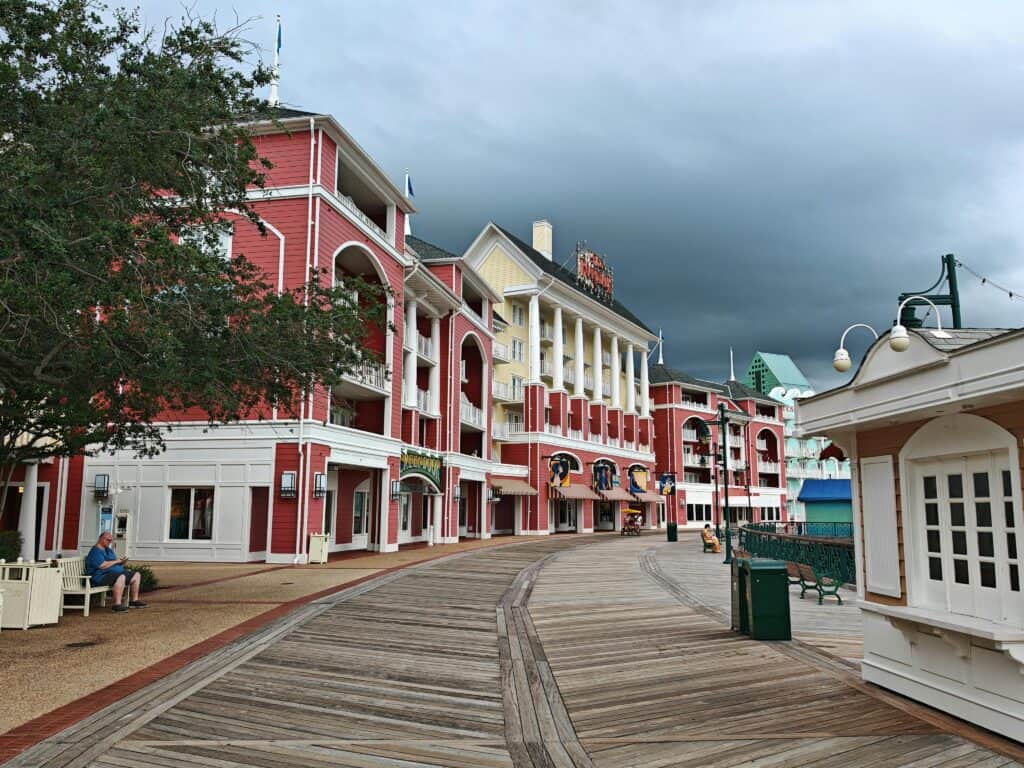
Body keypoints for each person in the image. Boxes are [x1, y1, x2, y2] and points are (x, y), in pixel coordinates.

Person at [85, 532, 148, 612]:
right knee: (121, 577)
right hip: (99, 576)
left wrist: (121, 562)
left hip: (112, 574)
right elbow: (102, 565)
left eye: (111, 540)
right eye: (108, 540)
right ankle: (117, 605)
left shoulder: (108, 550)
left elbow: (113, 561)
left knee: (136, 575)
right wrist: (116, 562)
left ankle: (134, 601)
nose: (109, 542)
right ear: (101, 539)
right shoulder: (95, 551)